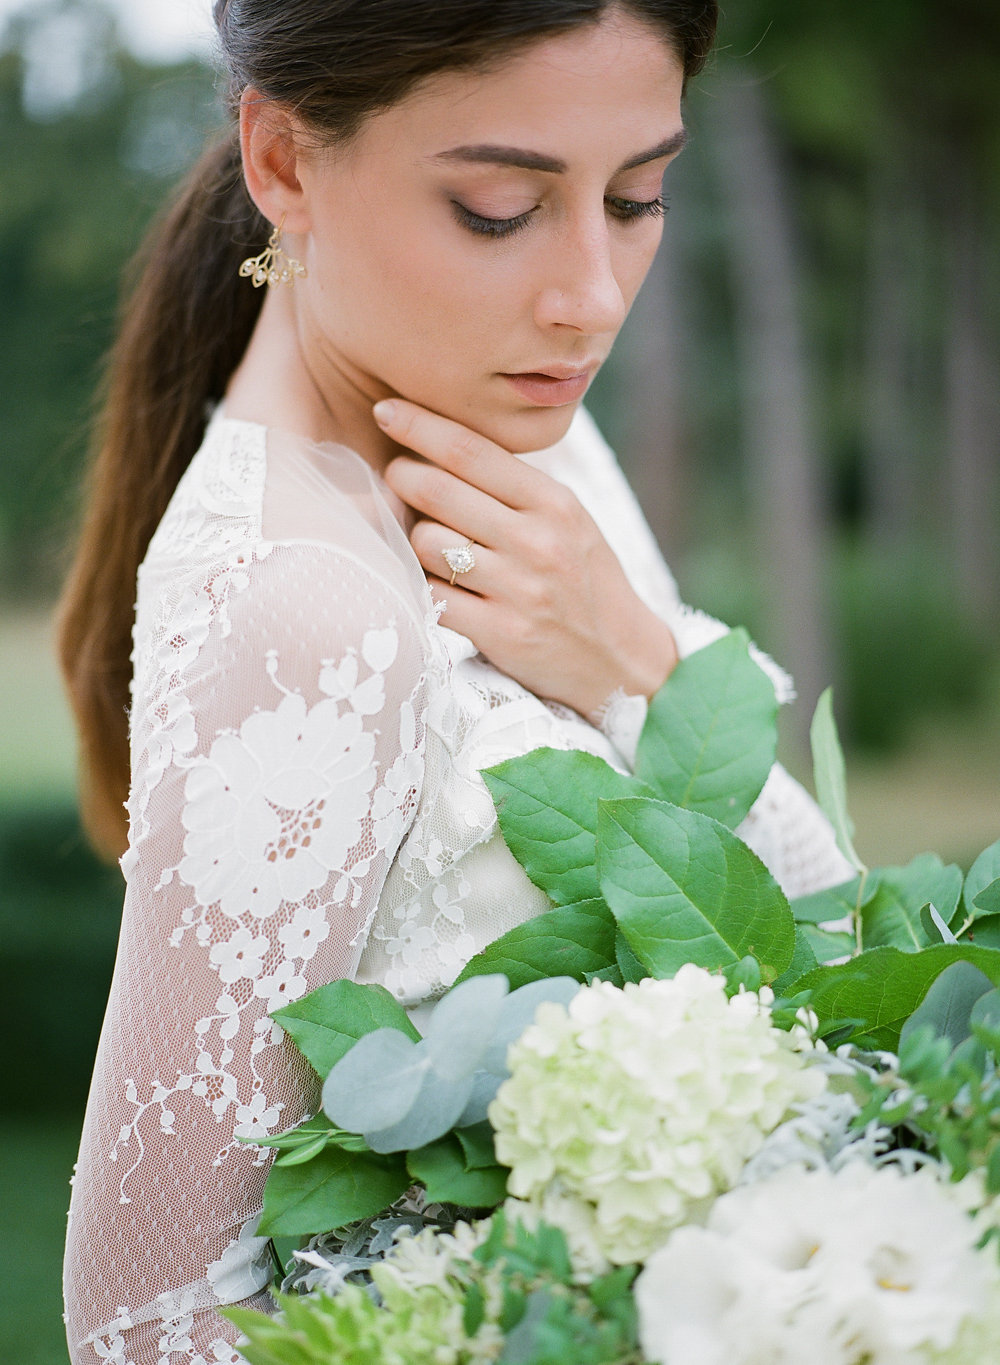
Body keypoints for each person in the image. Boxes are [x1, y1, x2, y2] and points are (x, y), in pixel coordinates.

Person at [58, 2, 851, 1361]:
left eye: (642, 196)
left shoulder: (520, 421)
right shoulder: (303, 606)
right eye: (500, 208)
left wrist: (630, 659)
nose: (592, 295)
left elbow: (828, 932)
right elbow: (145, 1319)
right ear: (286, 162)